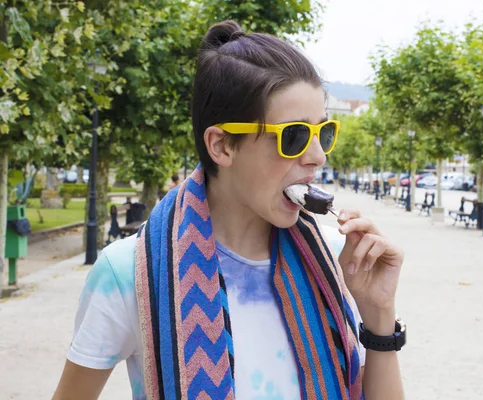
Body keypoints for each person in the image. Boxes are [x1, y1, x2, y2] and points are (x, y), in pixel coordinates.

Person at [53, 20, 405, 400]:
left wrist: (379, 313)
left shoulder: (333, 260)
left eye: (324, 132)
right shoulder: (129, 273)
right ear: (221, 146)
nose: (317, 156)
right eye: (295, 136)